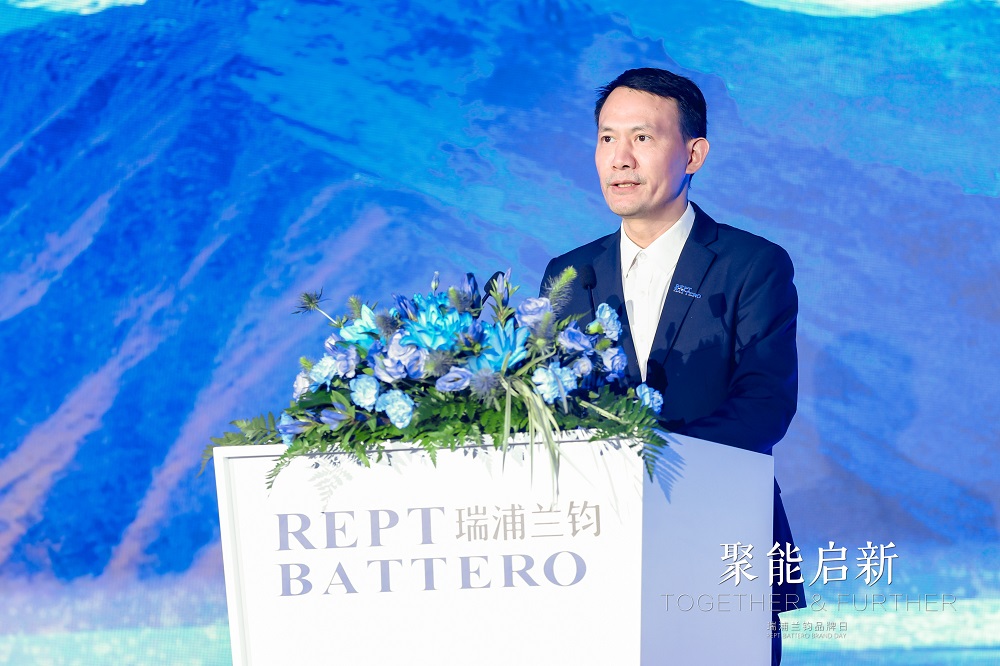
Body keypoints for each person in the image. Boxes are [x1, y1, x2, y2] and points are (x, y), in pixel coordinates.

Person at [540, 67, 804, 665]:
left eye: (642, 137)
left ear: (693, 154)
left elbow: (765, 405)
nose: (620, 158)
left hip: (720, 535)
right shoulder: (568, 274)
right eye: (607, 138)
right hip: (591, 552)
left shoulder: (751, 263)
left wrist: (647, 462)